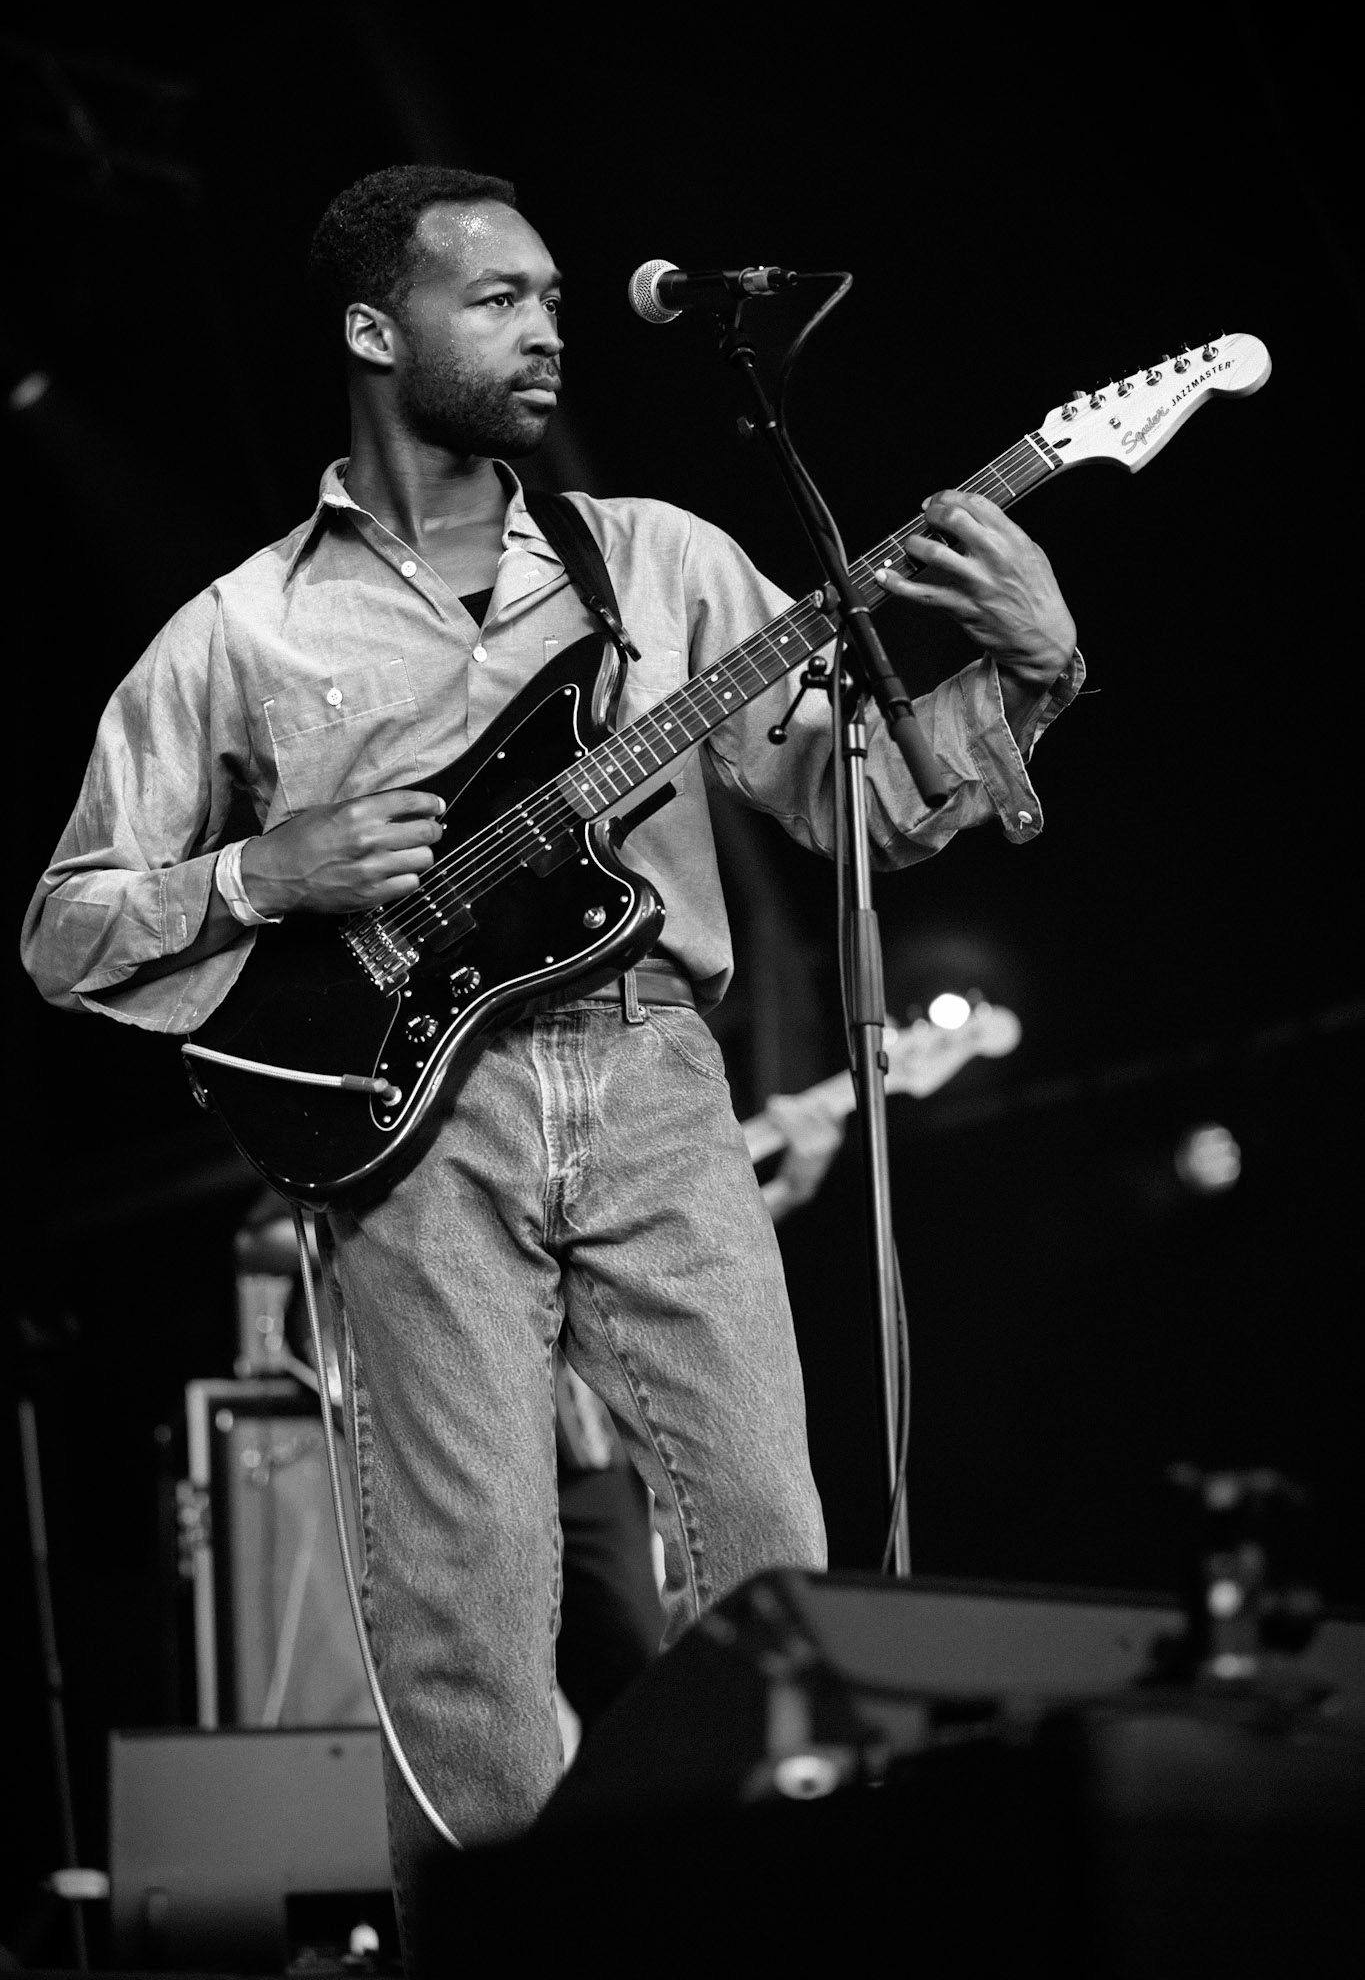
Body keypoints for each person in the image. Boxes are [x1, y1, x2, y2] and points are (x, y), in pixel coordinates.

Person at [21, 164, 1082, 1963]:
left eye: (554, 296)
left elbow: (869, 808)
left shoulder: (654, 560)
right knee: (464, 1604)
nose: (547, 325)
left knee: (771, 1542)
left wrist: (1032, 674)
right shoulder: (241, 631)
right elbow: (64, 927)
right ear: (377, 331)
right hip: (410, 1133)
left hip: (652, 1066)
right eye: (498, 297)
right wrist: (257, 875)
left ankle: (810, 1921)